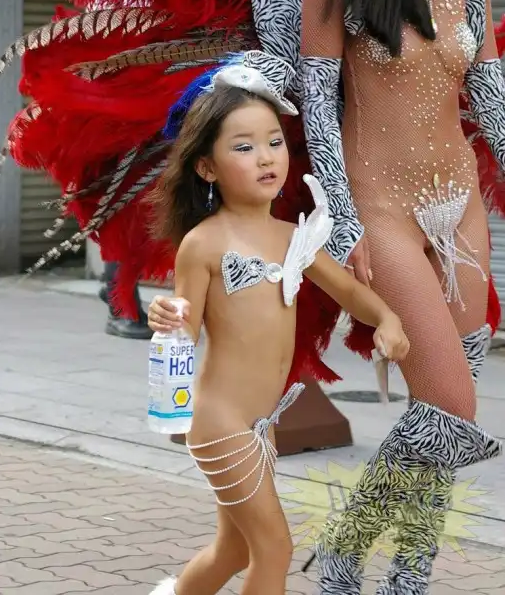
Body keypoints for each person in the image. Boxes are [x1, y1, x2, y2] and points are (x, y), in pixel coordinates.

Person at [0, 0, 504, 591]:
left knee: (446, 405)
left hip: (457, 203)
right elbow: (317, 100)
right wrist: (345, 222)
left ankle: (397, 573)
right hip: (380, 205)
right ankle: (350, 551)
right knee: (451, 400)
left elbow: (487, 91)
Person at [142, 58, 410, 595]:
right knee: (274, 548)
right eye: (243, 147)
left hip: (261, 423)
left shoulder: (293, 237)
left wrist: (386, 317)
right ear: (207, 168)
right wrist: (164, 318)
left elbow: (349, 291)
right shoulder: (204, 243)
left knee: (234, 549)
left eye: (274, 142)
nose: (266, 157)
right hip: (221, 422)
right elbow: (181, 329)